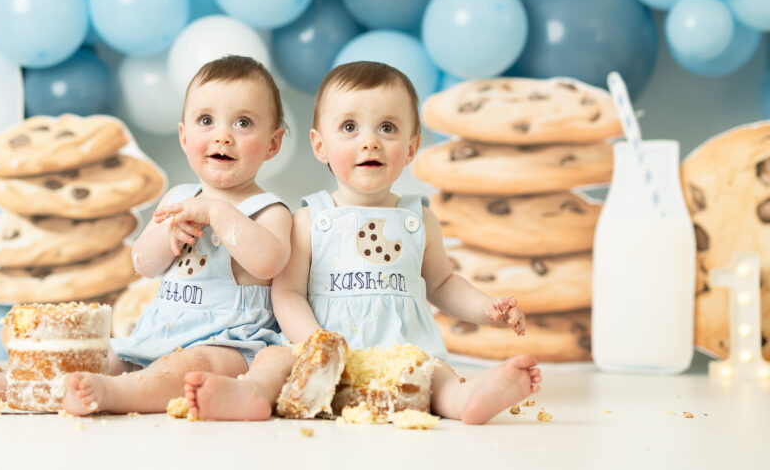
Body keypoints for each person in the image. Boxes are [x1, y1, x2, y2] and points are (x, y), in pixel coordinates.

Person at [183, 61, 541, 424]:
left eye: (387, 128)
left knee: (436, 376)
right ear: (320, 146)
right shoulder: (309, 219)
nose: (370, 141)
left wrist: (486, 310)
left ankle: (466, 400)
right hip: (329, 362)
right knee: (276, 364)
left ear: (412, 146)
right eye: (350, 127)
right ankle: (251, 395)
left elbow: (443, 284)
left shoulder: (419, 219)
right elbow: (287, 293)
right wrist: (315, 343)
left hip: (404, 355)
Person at [0, 55, 293, 415]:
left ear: (272, 144)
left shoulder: (269, 210)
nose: (223, 135)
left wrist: (219, 213)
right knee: (95, 357)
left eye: (243, 123)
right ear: (185, 137)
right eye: (206, 121)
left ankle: (114, 395)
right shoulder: (178, 200)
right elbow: (143, 263)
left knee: (184, 368)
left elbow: (268, 263)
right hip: (159, 332)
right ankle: (5, 381)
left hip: (229, 343)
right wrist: (166, 236)